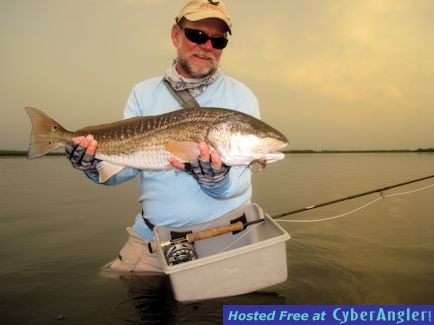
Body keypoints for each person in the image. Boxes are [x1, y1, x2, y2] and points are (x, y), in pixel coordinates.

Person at [65, 0, 260, 273]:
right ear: (175, 34)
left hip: (225, 237)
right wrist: (92, 166)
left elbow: (240, 180)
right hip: (154, 240)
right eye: (197, 35)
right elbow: (125, 167)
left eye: (218, 41)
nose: (207, 46)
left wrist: (218, 179)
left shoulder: (242, 97)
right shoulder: (143, 93)